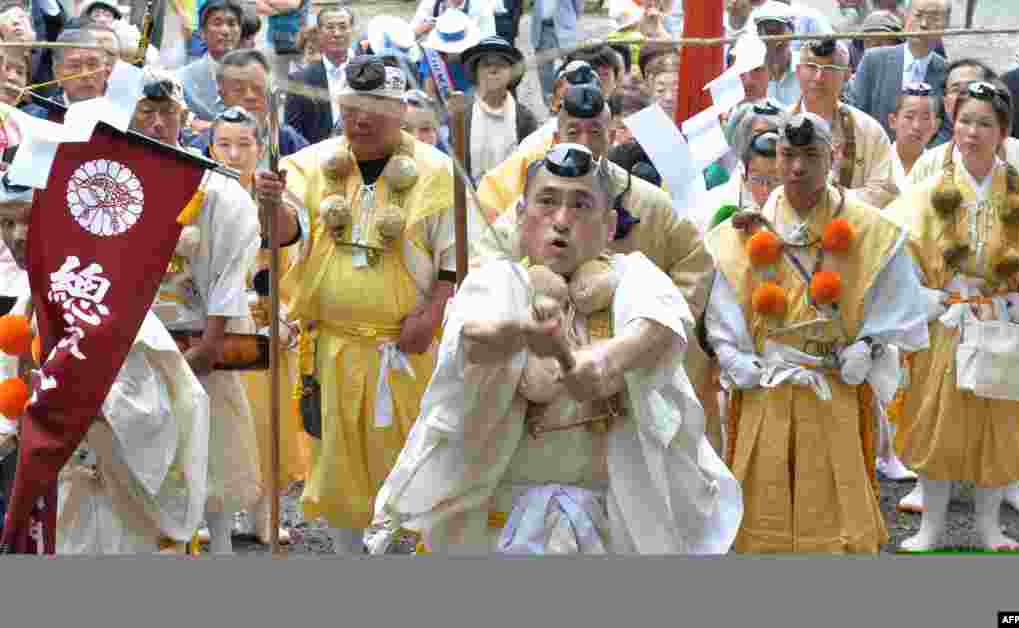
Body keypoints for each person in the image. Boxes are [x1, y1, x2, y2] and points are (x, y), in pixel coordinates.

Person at [367, 143, 742, 555]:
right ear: (521, 218)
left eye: (581, 205)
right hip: (504, 512)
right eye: (547, 203)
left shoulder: (632, 274)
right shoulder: (501, 279)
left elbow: (665, 326)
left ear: (609, 225)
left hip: (609, 513)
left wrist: (606, 358)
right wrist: (521, 334)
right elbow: (471, 337)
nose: (561, 221)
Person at [257, 55, 457, 554]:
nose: (361, 119)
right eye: (351, 108)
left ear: (402, 108)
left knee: (411, 463)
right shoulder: (308, 165)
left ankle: (403, 556)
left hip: (405, 349)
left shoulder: (436, 171)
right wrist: (269, 204)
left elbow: (456, 259)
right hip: (331, 348)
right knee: (337, 465)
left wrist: (431, 315)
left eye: (376, 107)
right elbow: (286, 235)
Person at [703, 111, 930, 553]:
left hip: (835, 389)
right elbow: (723, 308)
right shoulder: (743, 232)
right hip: (767, 385)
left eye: (811, 155)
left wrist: (869, 345)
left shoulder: (870, 228)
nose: (797, 168)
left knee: (835, 508)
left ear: (836, 155)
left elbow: (898, 306)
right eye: (788, 155)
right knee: (763, 501)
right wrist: (732, 357)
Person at [475, 83, 723, 455]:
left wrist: (643, 335)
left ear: (611, 134)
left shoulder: (646, 205)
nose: (561, 219)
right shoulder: (528, 205)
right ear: (556, 135)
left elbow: (688, 270)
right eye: (573, 131)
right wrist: (520, 308)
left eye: (595, 131)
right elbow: (487, 269)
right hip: (538, 395)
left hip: (621, 391)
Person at [0, 184, 210, 555]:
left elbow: (152, 413)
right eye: (5, 222)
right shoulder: (23, 305)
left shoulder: (109, 304)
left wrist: (71, 404)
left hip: (111, 503)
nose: (17, 235)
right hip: (52, 501)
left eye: (28, 220)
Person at [885, 80, 1019, 551]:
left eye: (984, 123)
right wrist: (925, 295)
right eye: (965, 121)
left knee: (999, 423)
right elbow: (894, 247)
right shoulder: (928, 189)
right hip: (945, 318)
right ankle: (933, 527)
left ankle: (989, 527)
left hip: (1004, 320)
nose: (972, 132)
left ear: (1002, 131)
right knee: (936, 420)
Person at [135, 73, 264, 555]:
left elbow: (233, 268)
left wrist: (212, 340)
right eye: (146, 112)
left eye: (167, 112)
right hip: (134, 338)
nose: (156, 122)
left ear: (184, 119)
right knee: (144, 448)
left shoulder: (216, 188)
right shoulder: (111, 180)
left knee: (211, 446)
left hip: (196, 334)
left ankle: (223, 546)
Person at [207, 106, 310, 546]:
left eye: (244, 144)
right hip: (219, 323)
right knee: (223, 425)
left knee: (270, 425)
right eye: (224, 144)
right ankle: (216, 518)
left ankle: (265, 515)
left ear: (262, 147)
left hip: (269, 322)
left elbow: (299, 261)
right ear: (210, 148)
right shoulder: (201, 195)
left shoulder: (278, 197)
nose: (234, 154)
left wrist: (290, 315)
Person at [792, 38, 899, 210]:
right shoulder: (778, 124)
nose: (819, 77)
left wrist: (831, 199)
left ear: (847, 75)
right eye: (811, 67)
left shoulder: (869, 131)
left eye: (830, 69)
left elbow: (884, 191)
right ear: (797, 71)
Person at [848, 0, 951, 147]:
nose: (923, 24)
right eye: (918, 15)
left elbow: (947, 128)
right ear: (906, 17)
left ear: (945, 27)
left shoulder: (948, 73)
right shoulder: (873, 60)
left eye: (933, 18)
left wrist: (925, 159)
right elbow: (856, 114)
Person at [187, 49, 309, 159]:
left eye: (257, 88)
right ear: (222, 95)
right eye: (239, 90)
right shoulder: (201, 148)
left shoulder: (290, 142)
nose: (250, 96)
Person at [460, 36, 538, 184]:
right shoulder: (460, 116)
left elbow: (533, 169)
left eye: (501, 65)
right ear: (476, 72)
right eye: (486, 65)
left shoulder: (525, 119)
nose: (493, 70)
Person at [284, 6, 356, 147]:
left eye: (343, 27)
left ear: (352, 31)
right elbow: (293, 134)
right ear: (319, 33)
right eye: (330, 27)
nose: (337, 33)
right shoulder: (299, 80)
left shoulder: (368, 72)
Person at [176, 0, 244, 123]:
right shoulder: (182, 79)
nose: (225, 31)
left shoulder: (255, 77)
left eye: (231, 24)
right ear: (202, 33)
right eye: (217, 24)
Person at [887, 82, 942, 194]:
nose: (916, 126)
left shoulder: (941, 168)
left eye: (925, 118)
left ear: (936, 126)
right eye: (909, 117)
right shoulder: (877, 161)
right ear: (893, 121)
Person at [530, 0, 584, 110]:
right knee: (544, 73)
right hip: (542, 29)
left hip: (564, 28)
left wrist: (571, 17)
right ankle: (552, 108)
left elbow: (578, 4)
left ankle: (571, 106)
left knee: (571, 69)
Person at [48, 28, 110, 107]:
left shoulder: (123, 111)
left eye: (92, 64)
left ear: (105, 69)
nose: (85, 74)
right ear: (57, 73)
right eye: (75, 66)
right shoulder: (39, 115)